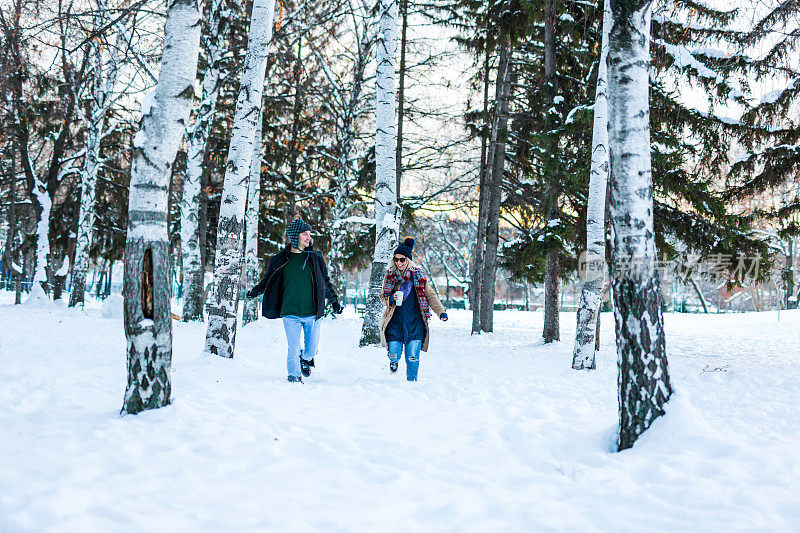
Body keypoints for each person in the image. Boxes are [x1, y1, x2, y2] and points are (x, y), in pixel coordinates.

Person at [246, 218, 343, 383]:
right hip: (290, 311)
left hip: (313, 312)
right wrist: (255, 291)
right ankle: (293, 377)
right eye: (304, 234)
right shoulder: (280, 259)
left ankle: (305, 359)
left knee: (311, 350)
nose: (308, 237)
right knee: (293, 348)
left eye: (309, 234)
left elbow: (325, 282)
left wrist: (334, 301)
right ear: (294, 236)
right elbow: (268, 279)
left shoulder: (316, 258)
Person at [379, 237, 448, 381]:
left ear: (408, 260)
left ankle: (412, 383)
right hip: (395, 322)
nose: (399, 263)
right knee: (393, 353)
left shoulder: (418, 277)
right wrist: (391, 299)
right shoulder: (390, 276)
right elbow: (383, 297)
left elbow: (431, 295)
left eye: (402, 260)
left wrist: (441, 312)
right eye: (396, 259)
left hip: (414, 322)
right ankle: (393, 360)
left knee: (412, 356)